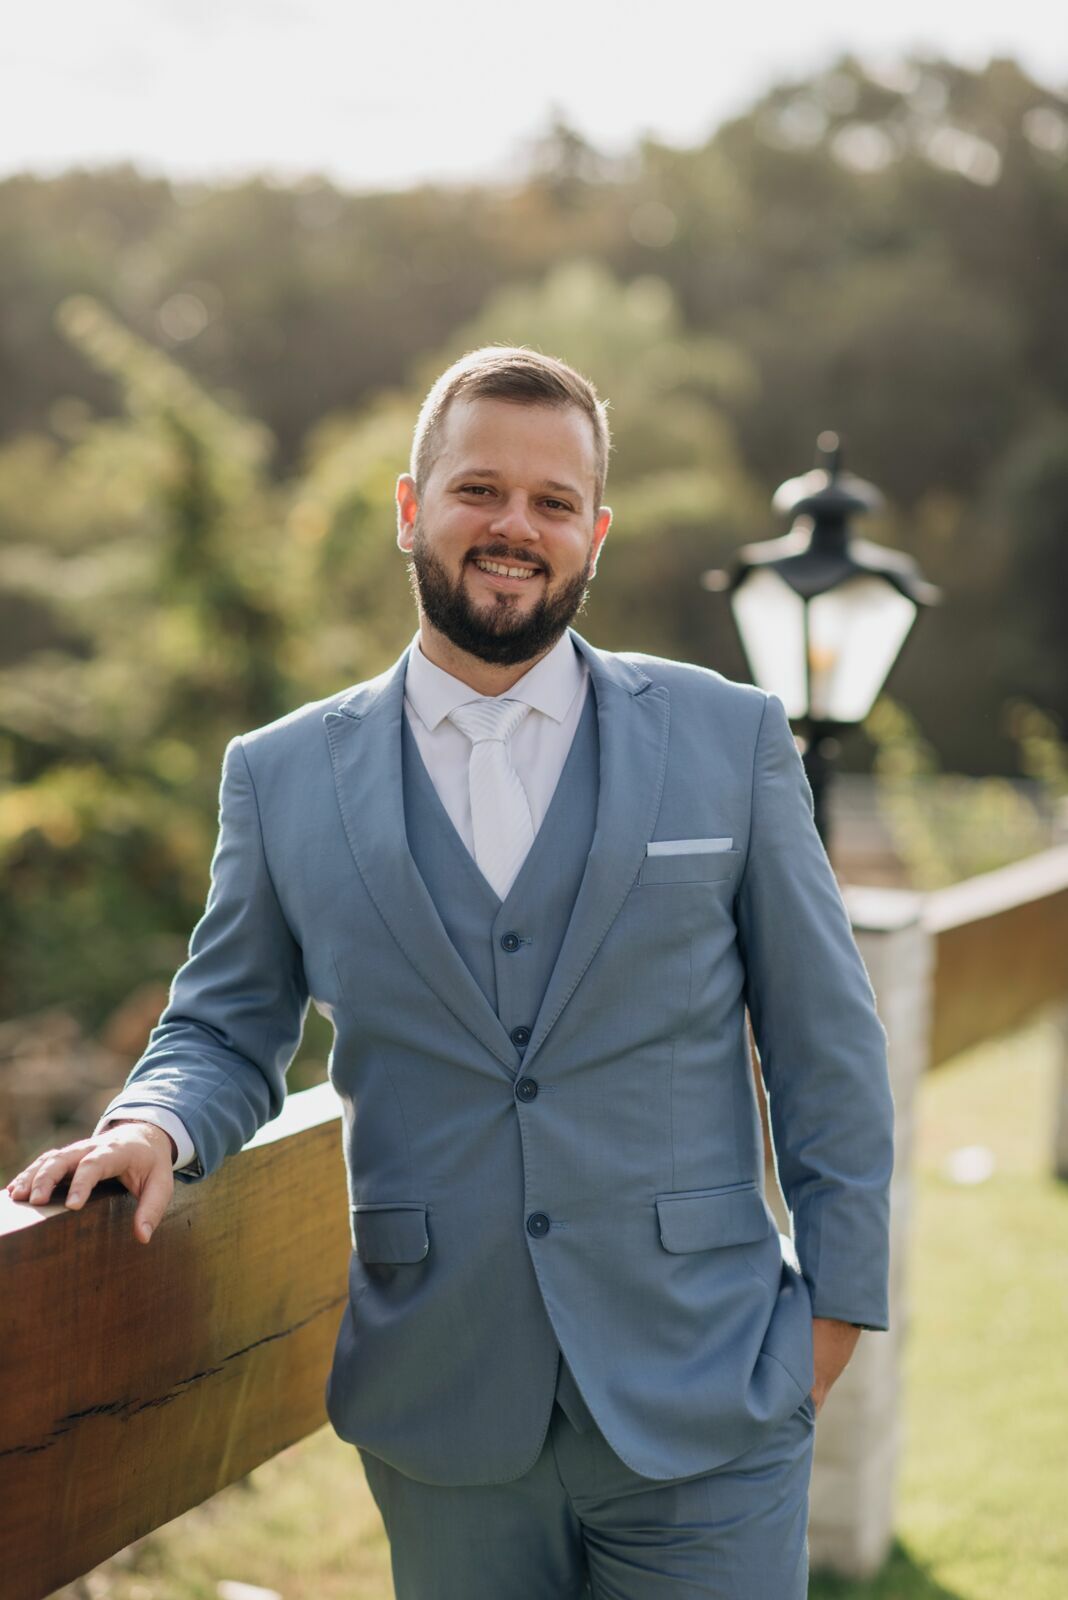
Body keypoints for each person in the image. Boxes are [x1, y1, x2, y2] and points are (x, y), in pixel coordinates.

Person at [6, 347, 894, 1599]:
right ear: (411, 507)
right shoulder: (281, 774)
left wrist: (833, 1321)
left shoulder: (727, 736)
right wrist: (151, 1125)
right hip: (445, 1406)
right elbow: (223, 1024)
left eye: (553, 501)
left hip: (710, 1392)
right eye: (480, 489)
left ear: (594, 534)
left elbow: (825, 1044)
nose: (515, 526)